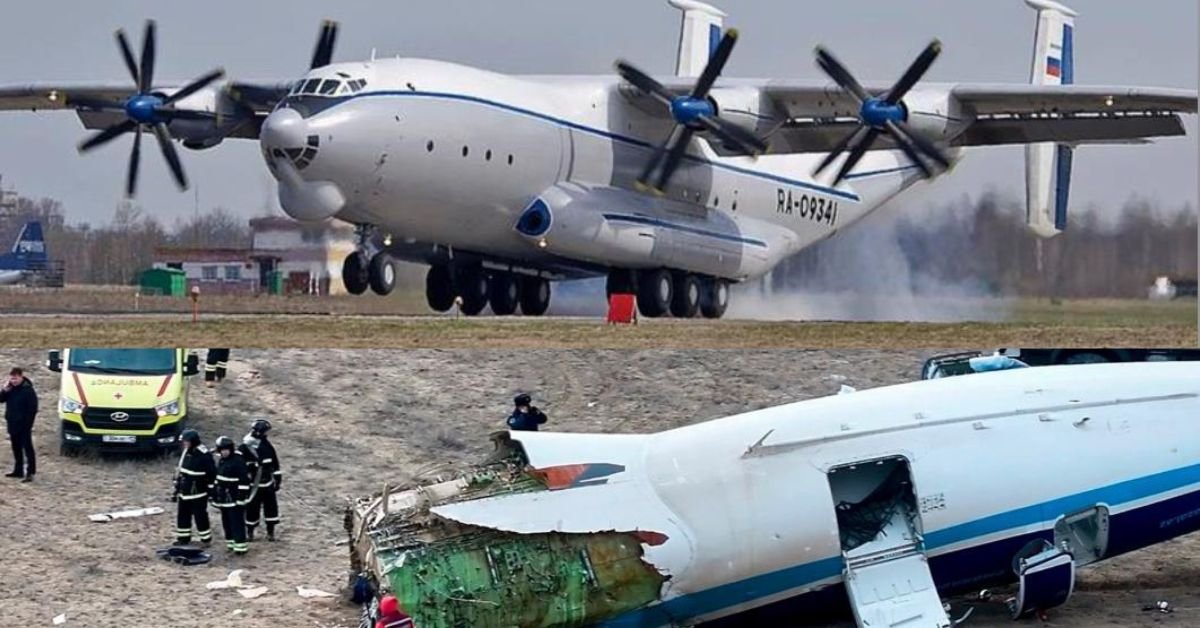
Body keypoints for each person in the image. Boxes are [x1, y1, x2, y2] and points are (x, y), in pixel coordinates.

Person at [172, 428, 216, 546]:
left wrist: (211, 492)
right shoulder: (186, 452)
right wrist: (177, 485)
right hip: (184, 491)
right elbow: (181, 469)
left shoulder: (204, 455)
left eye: (186, 441)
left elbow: (212, 474)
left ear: (193, 441)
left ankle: (205, 539)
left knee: (200, 516)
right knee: (182, 515)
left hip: (198, 492)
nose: (184, 444)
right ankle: (183, 538)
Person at [243, 419, 283, 542]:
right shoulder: (246, 446)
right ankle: (250, 533)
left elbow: (274, 463)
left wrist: (277, 478)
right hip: (253, 485)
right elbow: (240, 465)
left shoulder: (267, 445)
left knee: (271, 508)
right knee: (251, 509)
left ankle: (270, 533)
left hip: (267, 483)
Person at [212, 436, 250, 555]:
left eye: (226, 449)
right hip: (224, 498)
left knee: (237, 522)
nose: (224, 452)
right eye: (221, 450)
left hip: (234, 498)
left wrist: (241, 497)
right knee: (226, 522)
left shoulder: (238, 461)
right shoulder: (223, 460)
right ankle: (231, 544)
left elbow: (244, 482)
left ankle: (240, 547)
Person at [1, 367, 38, 482]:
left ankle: (30, 472)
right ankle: (18, 470)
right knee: (16, 448)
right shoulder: (10, 389)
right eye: (12, 379)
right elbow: (1, 400)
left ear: (21, 376)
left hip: (24, 425)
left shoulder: (28, 390)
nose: (14, 381)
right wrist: (4, 391)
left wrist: (28, 424)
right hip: (12, 423)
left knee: (27, 449)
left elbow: (33, 409)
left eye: (16, 379)